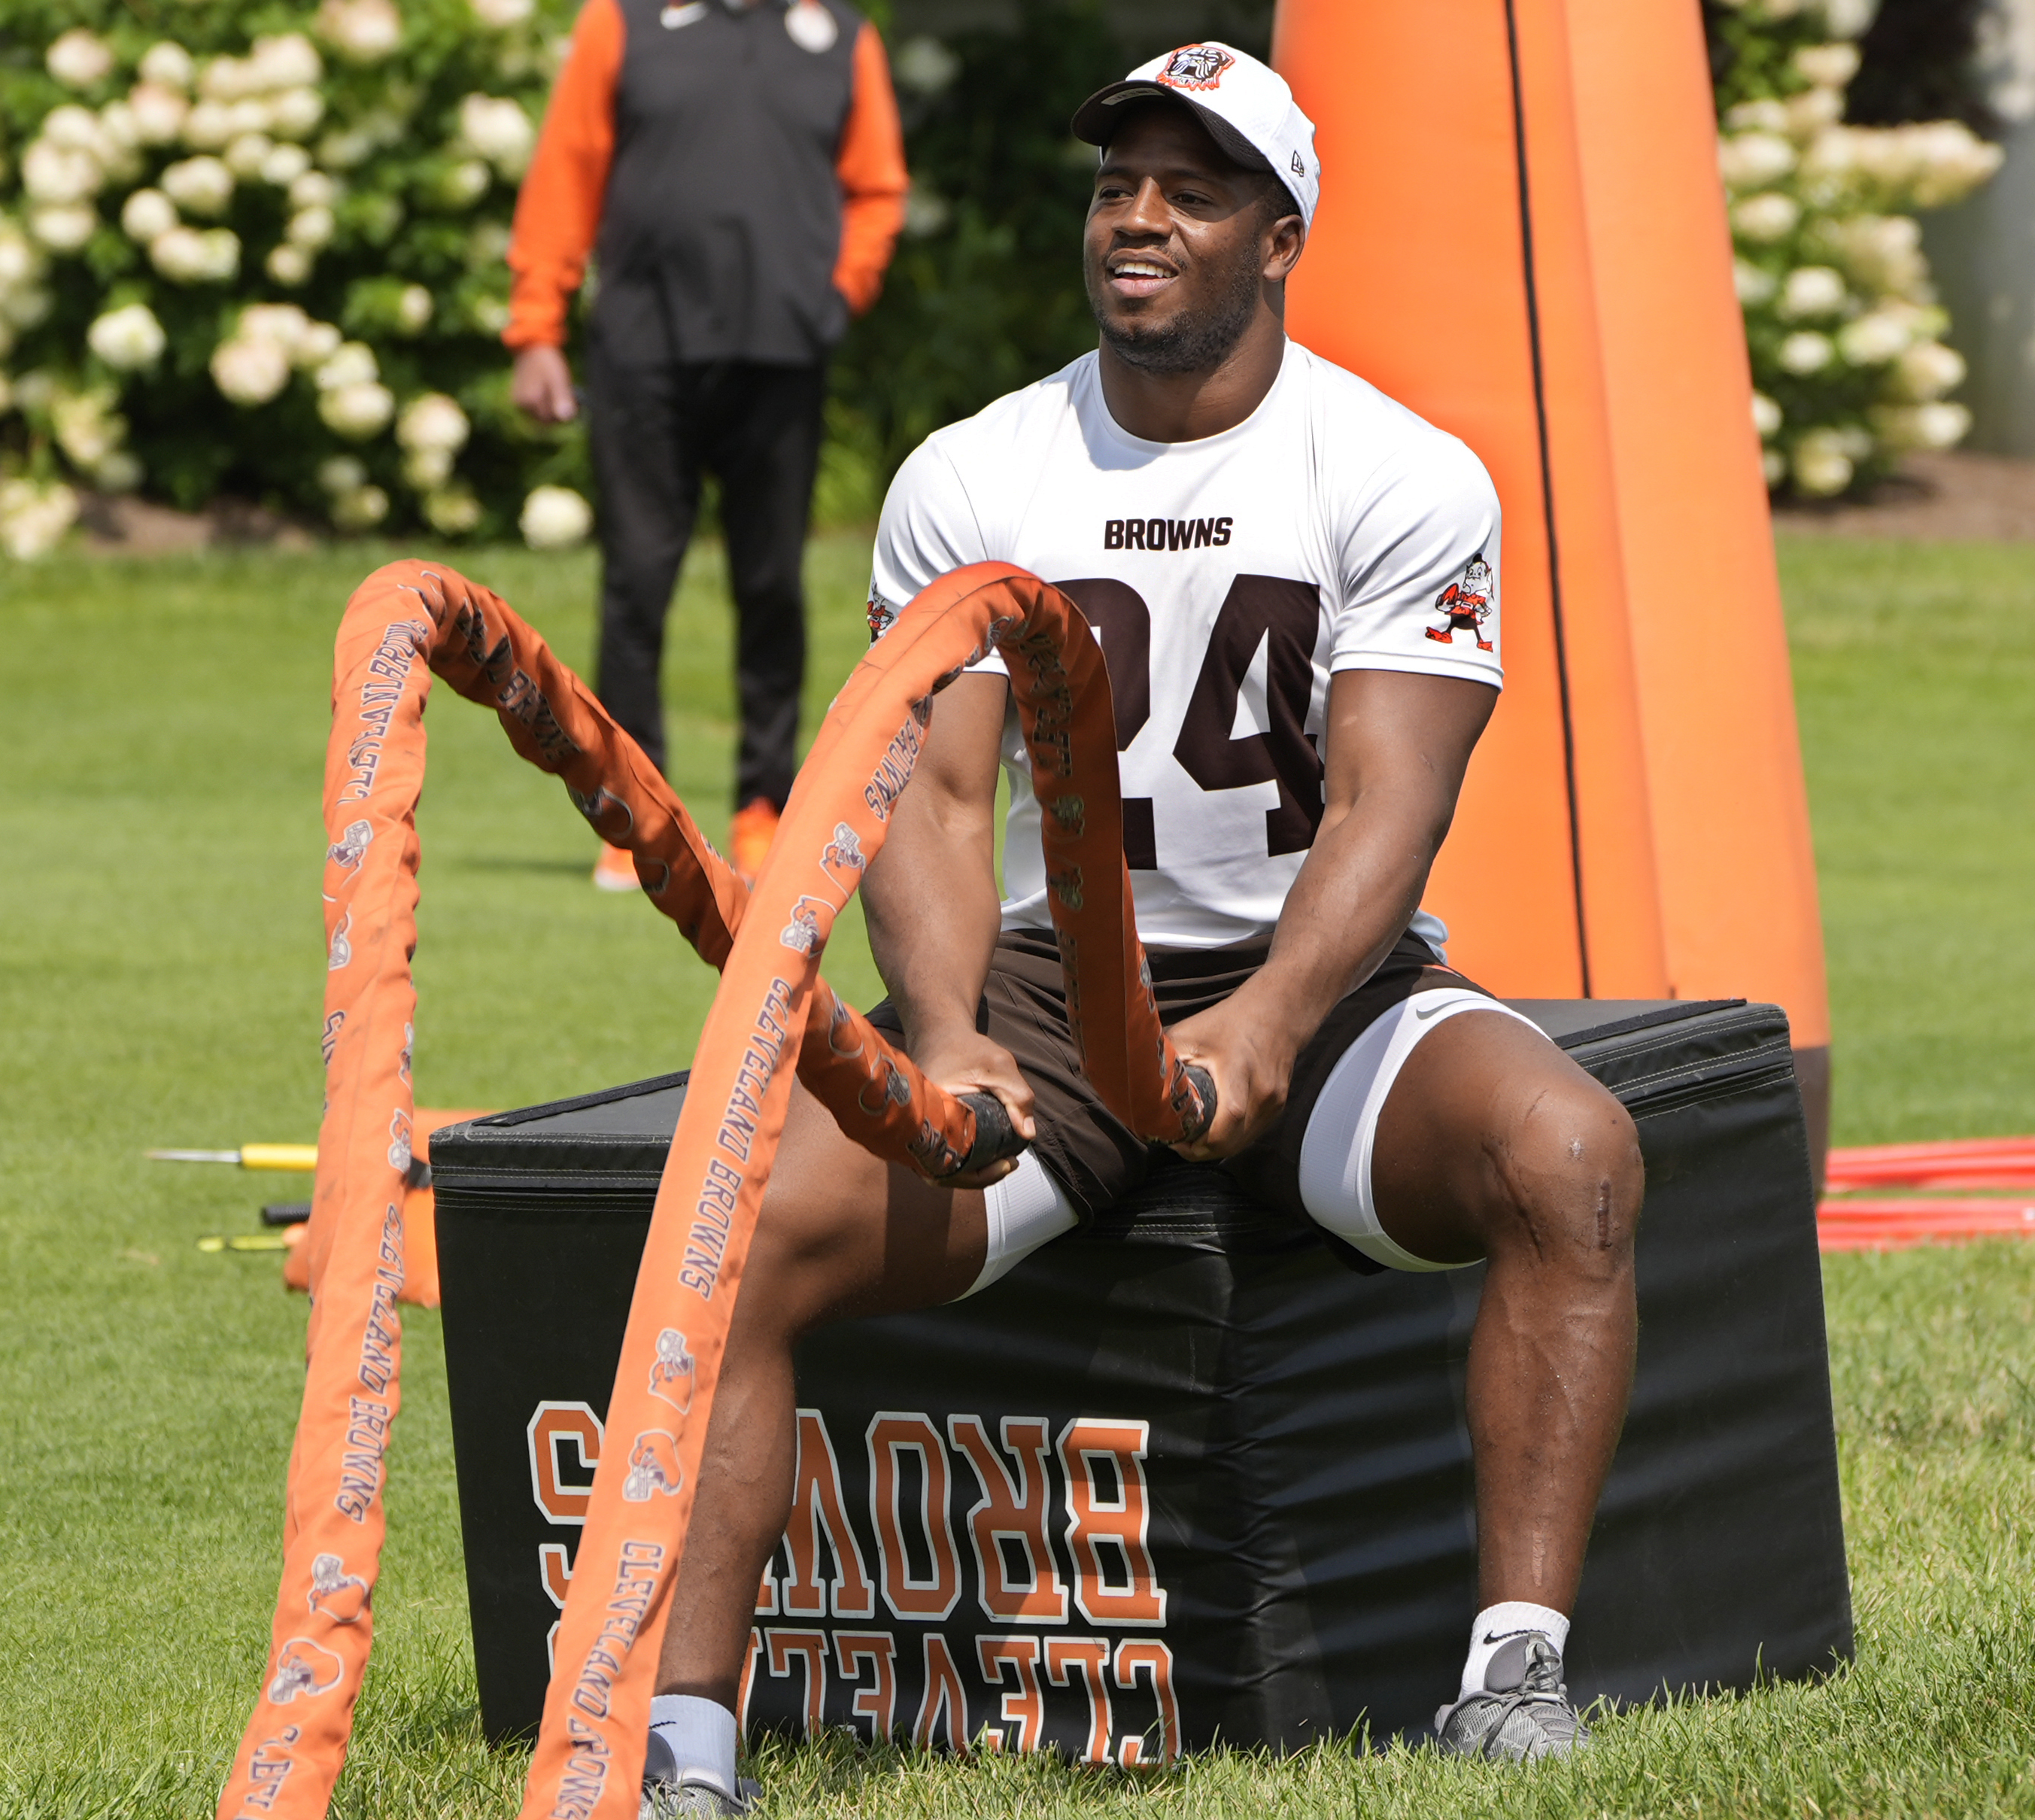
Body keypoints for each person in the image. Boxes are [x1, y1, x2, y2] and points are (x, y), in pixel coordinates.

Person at [634, 42, 1645, 1810]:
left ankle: (1514, 1669)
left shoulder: (1400, 470)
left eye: (1190, 190)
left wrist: (1263, 1020)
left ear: (1279, 235)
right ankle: (683, 1744)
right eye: (1117, 185)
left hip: (1314, 979)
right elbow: (934, 798)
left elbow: (1389, 804)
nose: (1140, 217)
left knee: (1572, 1153)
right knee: (734, 1224)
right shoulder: (973, 467)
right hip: (1043, 987)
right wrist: (942, 1027)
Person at [504, 0, 908, 889]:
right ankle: (633, 815)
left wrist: (839, 293)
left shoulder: (840, 35)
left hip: (780, 351)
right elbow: (566, 169)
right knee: (636, 582)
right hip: (643, 350)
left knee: (770, 585)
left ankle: (763, 808)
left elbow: (876, 188)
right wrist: (537, 322)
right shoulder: (625, 22)